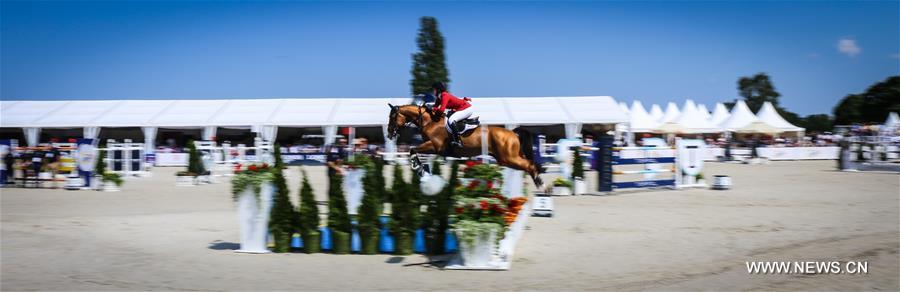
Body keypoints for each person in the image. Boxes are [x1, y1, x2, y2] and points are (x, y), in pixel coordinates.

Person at [431, 81, 475, 148]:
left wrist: (433, 109)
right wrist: (430, 108)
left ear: (438, 89)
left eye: (434, 89)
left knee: (451, 120)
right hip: (461, 108)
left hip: (466, 108)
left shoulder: (445, 95)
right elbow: (435, 107)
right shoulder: (439, 98)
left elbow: (441, 110)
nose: (433, 91)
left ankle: (458, 141)